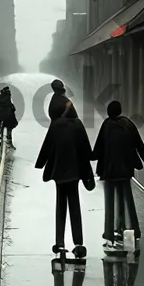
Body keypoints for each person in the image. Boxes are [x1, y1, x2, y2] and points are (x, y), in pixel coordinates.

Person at [36, 102, 95, 259]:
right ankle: (78, 243)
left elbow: (47, 145)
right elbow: (85, 148)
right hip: (75, 172)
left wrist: (40, 163)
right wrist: (91, 158)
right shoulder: (78, 125)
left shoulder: (55, 125)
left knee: (60, 206)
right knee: (75, 206)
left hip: (59, 171)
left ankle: (60, 242)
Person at [91, 100, 144, 247]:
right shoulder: (128, 124)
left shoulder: (106, 125)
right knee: (127, 199)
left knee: (110, 202)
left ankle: (109, 232)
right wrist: (143, 158)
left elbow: (98, 148)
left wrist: (90, 156)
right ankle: (134, 229)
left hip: (109, 170)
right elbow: (138, 142)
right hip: (125, 169)